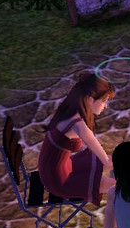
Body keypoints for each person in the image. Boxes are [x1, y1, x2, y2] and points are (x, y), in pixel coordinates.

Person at [38, 73, 116, 206]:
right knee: (114, 185)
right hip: (59, 180)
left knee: (109, 163)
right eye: (104, 101)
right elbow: (105, 159)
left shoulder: (69, 113)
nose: (105, 106)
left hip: (55, 169)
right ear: (90, 99)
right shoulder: (78, 124)